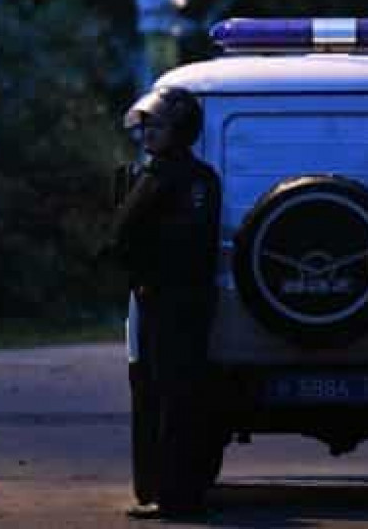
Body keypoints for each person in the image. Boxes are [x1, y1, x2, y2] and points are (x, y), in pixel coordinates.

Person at [99, 86, 223, 520]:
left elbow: (162, 239)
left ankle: (177, 496)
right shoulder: (172, 175)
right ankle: (170, 491)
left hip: (173, 301)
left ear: (181, 130)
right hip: (163, 298)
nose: (148, 132)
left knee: (174, 397)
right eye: (147, 124)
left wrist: (139, 259)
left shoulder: (180, 178)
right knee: (165, 395)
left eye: (159, 126)